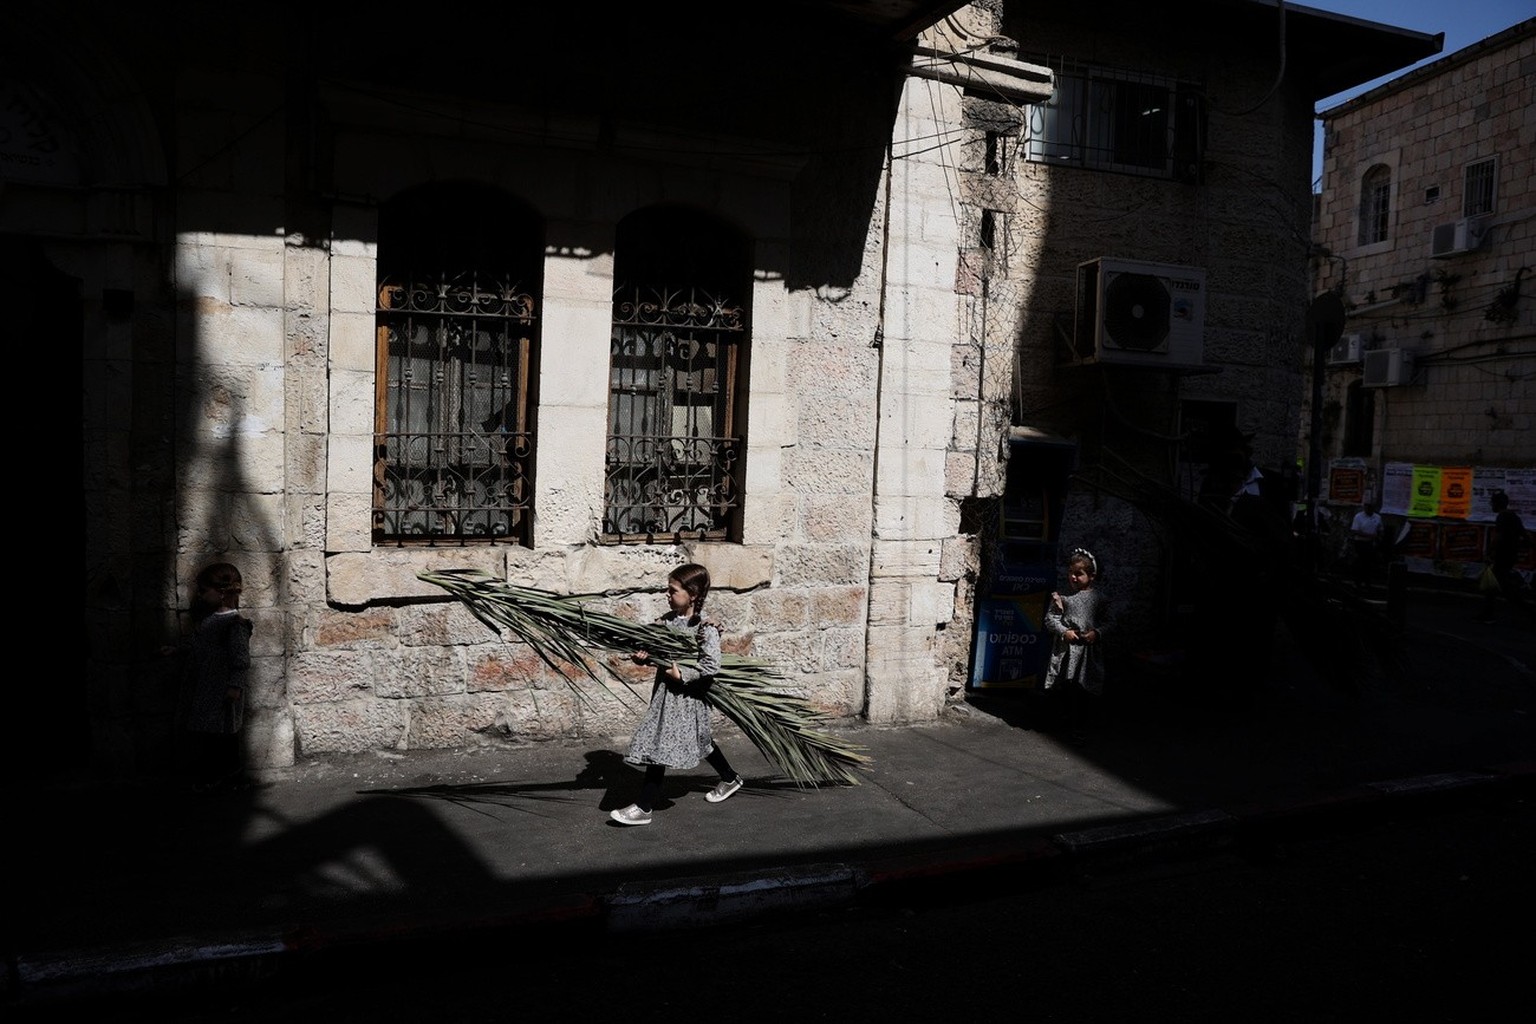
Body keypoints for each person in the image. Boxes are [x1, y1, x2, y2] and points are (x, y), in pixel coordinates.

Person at [610, 563, 743, 826]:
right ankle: (730, 778)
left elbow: (711, 665)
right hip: (665, 696)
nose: (667, 595)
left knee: (660, 746)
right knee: (701, 739)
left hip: (688, 697)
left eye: (672, 590)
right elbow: (654, 653)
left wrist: (681, 674)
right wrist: (642, 658)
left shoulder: (705, 628)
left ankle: (643, 807)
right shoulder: (665, 622)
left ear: (692, 594)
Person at [164, 562, 253, 793]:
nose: (201, 596)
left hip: (222, 689)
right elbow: (198, 643)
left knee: (223, 733)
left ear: (221, 592)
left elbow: (241, 659)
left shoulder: (235, 625)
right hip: (207, 687)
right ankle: (221, 772)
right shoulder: (211, 621)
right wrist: (177, 649)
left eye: (204, 591)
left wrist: (235, 686)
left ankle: (226, 773)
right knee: (210, 731)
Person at [1044, 548, 1110, 733]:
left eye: (1078, 574)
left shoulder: (1100, 599)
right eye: (1070, 573)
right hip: (1067, 651)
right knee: (1065, 686)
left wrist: (1097, 633)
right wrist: (1064, 632)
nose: (1073, 577)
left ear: (1092, 576)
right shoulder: (1062, 597)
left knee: (1084, 689)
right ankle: (1065, 721)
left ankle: (1079, 726)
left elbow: (1109, 622)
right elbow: (1050, 619)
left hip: (1088, 654)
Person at [1480, 491, 1530, 623]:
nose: (1491, 505)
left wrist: (1489, 551)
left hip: (1502, 555)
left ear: (1497, 504)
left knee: (1500, 586)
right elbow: (1524, 535)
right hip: (1510, 555)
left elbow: (1499, 537)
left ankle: (1488, 615)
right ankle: (1487, 614)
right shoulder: (1514, 516)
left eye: (1492, 502)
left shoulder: (1502, 516)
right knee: (1497, 585)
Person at [1349, 501, 1383, 586]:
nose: (1368, 509)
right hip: (1360, 542)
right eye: (1367, 507)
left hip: (1371, 543)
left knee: (1368, 563)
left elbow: (1380, 529)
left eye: (1370, 507)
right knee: (1361, 561)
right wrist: (1369, 535)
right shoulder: (1359, 517)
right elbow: (1354, 531)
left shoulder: (1377, 517)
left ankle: (1367, 581)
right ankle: (1358, 581)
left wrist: (1379, 538)